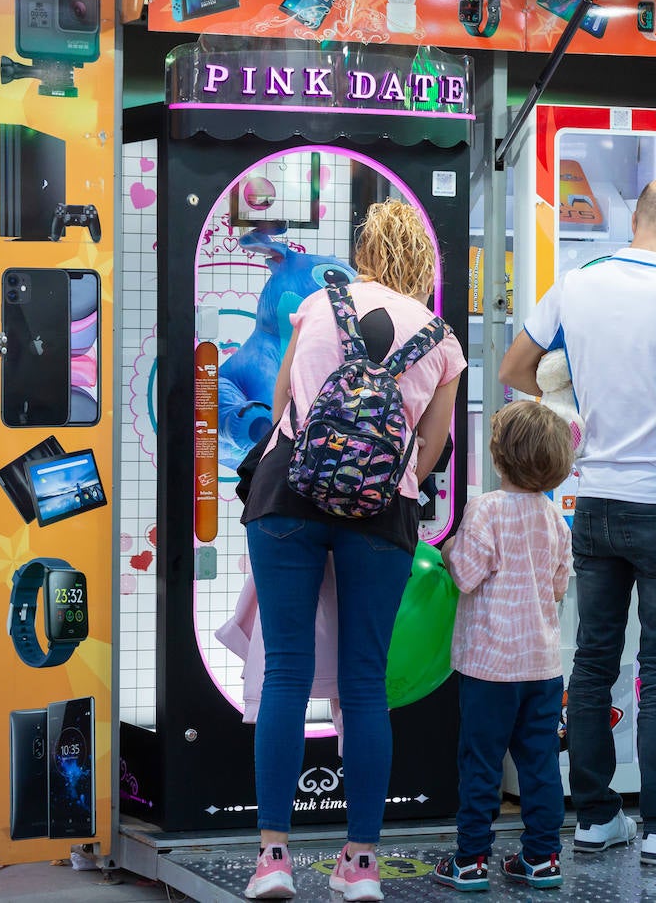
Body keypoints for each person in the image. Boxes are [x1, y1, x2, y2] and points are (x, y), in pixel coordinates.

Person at [498, 175, 656, 865]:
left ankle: (597, 817)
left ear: (636, 217)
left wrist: (576, 399)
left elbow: (517, 369)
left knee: (592, 663)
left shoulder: (576, 283)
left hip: (594, 501)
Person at [241, 200, 465, 901]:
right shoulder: (442, 340)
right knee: (365, 685)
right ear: (425, 263)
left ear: (364, 250)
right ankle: (360, 864)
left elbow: (282, 407)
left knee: (286, 672)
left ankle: (274, 857)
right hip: (380, 515)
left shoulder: (313, 305)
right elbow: (428, 455)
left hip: (286, 500)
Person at [431, 400, 575, 892]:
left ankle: (470, 860)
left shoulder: (486, 508)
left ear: (498, 458)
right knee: (539, 764)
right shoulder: (554, 518)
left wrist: (448, 549)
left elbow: (467, 576)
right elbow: (558, 587)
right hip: (542, 665)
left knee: (481, 764)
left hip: (489, 665)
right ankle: (542, 858)